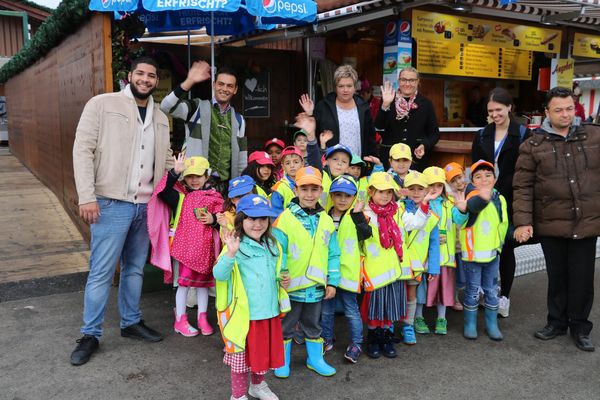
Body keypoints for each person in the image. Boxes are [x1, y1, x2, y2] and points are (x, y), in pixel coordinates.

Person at [70, 56, 174, 366]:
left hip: (145, 205)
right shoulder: (102, 104)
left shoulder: (160, 117)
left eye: (151, 75)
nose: (145, 79)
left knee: (134, 269)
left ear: (156, 81)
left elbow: (165, 158)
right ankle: (90, 334)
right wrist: (86, 196)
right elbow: (82, 150)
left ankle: (131, 322)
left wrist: (183, 171)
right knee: (102, 272)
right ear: (130, 76)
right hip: (110, 203)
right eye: (140, 73)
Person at [513, 86, 600, 352]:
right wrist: (523, 221)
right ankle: (556, 322)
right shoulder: (533, 145)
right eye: (558, 110)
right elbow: (523, 187)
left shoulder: (594, 136)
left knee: (583, 278)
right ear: (547, 112)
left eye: (569, 108)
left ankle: (580, 326)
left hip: (586, 220)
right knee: (558, 276)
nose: (565, 114)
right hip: (551, 221)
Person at [214, 194, 289, 400]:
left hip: (268, 312)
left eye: (263, 218)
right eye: (251, 218)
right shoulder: (234, 245)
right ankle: (238, 395)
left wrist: (282, 280)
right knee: (240, 360)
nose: (258, 224)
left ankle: (258, 386)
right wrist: (230, 254)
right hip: (244, 316)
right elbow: (219, 275)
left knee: (261, 355)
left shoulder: (273, 245)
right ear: (241, 220)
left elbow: (278, 271)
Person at [272, 166, 341, 378]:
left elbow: (333, 253)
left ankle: (315, 359)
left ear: (321, 191)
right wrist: (280, 276)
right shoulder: (284, 218)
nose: (309, 194)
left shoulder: (327, 220)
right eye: (304, 189)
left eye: (314, 189)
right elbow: (278, 251)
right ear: (296, 190)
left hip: (316, 287)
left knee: (313, 324)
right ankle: (281, 361)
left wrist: (333, 281)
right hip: (291, 286)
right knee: (286, 325)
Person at [470, 87, 531, 318]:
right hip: (486, 199)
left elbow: (527, 170)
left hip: (511, 198)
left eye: (498, 109)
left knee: (506, 248)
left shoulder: (523, 135)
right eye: (490, 110)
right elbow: (476, 167)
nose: (494, 114)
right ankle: (488, 291)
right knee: (487, 245)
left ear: (509, 108)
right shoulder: (482, 134)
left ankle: (504, 296)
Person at [360, 172, 430, 358]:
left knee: (390, 307)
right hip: (375, 270)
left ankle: (386, 338)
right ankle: (374, 339)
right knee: (375, 308)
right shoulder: (365, 213)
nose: (385, 196)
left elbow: (416, 223)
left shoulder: (398, 210)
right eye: (381, 191)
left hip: (395, 269)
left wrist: (424, 204)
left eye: (389, 192)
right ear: (371, 192)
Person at [156, 155, 223, 337]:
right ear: (184, 178)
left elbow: (222, 220)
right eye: (189, 176)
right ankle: (181, 319)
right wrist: (174, 172)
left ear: (206, 176)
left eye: (198, 176)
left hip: (205, 250)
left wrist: (214, 219)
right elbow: (162, 191)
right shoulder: (180, 197)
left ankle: (202, 317)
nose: (194, 180)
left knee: (203, 285)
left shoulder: (214, 198)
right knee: (183, 285)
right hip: (186, 251)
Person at [160, 60, 247, 182]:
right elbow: (165, 107)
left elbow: (242, 159)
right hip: (196, 183)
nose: (224, 89)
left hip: (226, 186)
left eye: (230, 86)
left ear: (235, 89)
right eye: (221, 84)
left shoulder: (240, 120)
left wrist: (241, 185)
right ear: (214, 85)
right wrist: (189, 81)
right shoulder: (196, 109)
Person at [320, 175, 372, 364]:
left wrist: (358, 216)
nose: (343, 199)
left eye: (347, 196)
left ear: (354, 197)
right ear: (331, 196)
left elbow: (367, 234)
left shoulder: (358, 216)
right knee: (326, 309)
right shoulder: (323, 216)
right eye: (338, 195)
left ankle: (356, 343)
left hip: (349, 272)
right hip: (327, 271)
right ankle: (326, 338)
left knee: (351, 310)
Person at [416, 167, 467, 335]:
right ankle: (418, 317)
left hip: (444, 257)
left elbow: (459, 219)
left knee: (444, 288)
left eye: (438, 185)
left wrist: (462, 209)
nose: (435, 188)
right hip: (423, 257)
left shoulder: (448, 204)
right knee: (420, 289)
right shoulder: (420, 204)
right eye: (431, 184)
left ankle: (441, 318)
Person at [461, 160, 508, 341]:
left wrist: (501, 244)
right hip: (472, 254)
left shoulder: (500, 198)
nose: (484, 179)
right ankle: (470, 324)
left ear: (495, 179)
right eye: (478, 177)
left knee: (491, 290)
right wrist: (482, 197)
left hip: (492, 254)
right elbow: (470, 210)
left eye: (488, 175)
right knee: (472, 290)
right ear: (472, 181)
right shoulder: (470, 198)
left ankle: (491, 324)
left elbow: (503, 223)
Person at [299, 65, 378, 158]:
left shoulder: (363, 107)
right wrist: (310, 114)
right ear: (335, 87)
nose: (345, 90)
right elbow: (312, 134)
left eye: (349, 86)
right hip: (331, 164)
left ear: (355, 87)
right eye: (341, 86)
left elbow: (370, 137)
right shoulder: (323, 106)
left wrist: (372, 161)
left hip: (357, 165)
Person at [399, 172, 439, 344]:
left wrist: (434, 267)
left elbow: (434, 243)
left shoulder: (433, 216)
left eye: (420, 189)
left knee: (411, 294)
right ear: (404, 190)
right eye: (411, 188)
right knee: (395, 293)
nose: (415, 192)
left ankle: (408, 325)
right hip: (396, 262)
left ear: (427, 191)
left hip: (416, 264)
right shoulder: (396, 208)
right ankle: (391, 324)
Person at [376, 67, 440, 171]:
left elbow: (434, 134)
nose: (407, 83)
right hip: (390, 160)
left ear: (418, 82)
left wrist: (424, 145)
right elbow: (379, 127)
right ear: (399, 81)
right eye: (403, 80)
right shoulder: (388, 99)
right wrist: (385, 105)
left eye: (411, 80)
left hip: (415, 161)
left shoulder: (426, 104)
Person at [444, 162, 468, 311]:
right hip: (453, 244)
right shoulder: (448, 199)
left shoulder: (471, 191)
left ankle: (458, 294)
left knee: (463, 273)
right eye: (453, 180)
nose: (458, 182)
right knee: (454, 274)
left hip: (467, 242)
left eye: (460, 177)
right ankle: (453, 297)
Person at [270, 146, 304, 216]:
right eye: (288, 163)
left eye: (296, 162)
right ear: (283, 166)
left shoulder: (309, 182)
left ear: (302, 164)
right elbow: (275, 215)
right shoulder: (279, 188)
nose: (292, 166)